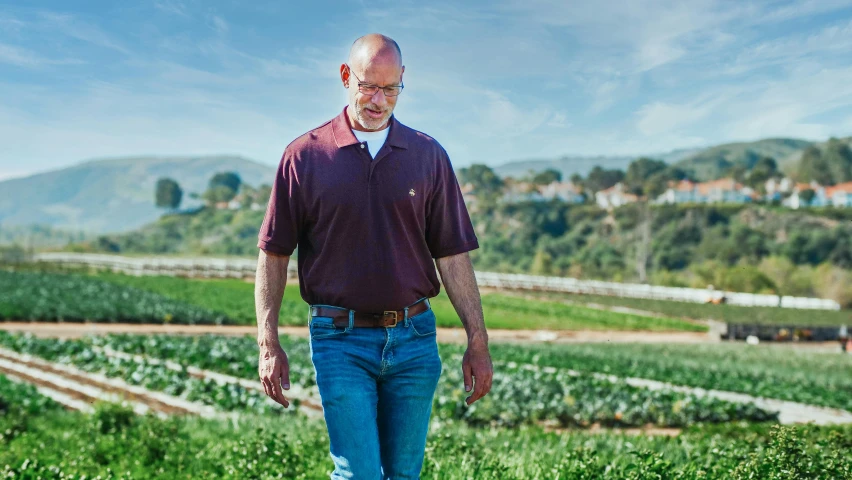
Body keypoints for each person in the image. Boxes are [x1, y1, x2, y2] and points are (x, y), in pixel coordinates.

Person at [254, 33, 493, 479]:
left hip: (415, 340)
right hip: (339, 341)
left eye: (391, 88)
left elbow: (454, 256)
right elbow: (273, 255)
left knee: (404, 475)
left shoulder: (428, 156)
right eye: (368, 86)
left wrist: (477, 340)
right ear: (346, 77)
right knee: (358, 473)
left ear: (403, 82)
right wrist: (268, 343)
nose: (379, 100)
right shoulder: (304, 157)